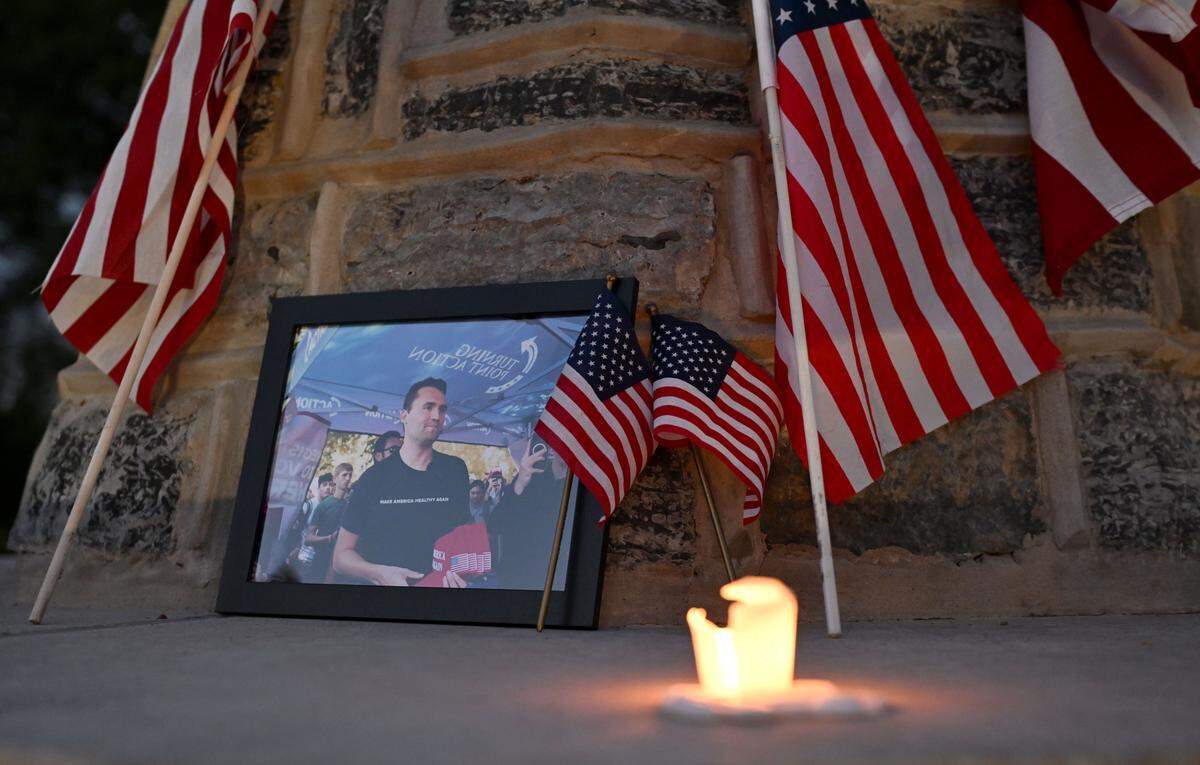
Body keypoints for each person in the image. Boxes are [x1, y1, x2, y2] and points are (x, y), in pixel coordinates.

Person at [333, 377, 472, 588]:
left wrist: (463, 567)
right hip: (387, 606)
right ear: (404, 416)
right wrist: (379, 573)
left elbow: (463, 533)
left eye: (442, 409)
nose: (437, 416)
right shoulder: (373, 478)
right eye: (428, 407)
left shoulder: (455, 469)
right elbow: (341, 557)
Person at [488, 440, 569, 589]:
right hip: (517, 581)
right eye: (564, 439)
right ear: (553, 444)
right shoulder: (530, 478)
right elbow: (495, 524)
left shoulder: (581, 491)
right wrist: (520, 483)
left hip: (555, 584)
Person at [301, 463, 352, 583]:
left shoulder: (350, 506)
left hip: (340, 565)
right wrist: (329, 538)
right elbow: (308, 538)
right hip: (320, 562)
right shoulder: (323, 506)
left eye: (350, 475)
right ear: (335, 479)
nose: (348, 478)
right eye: (344, 475)